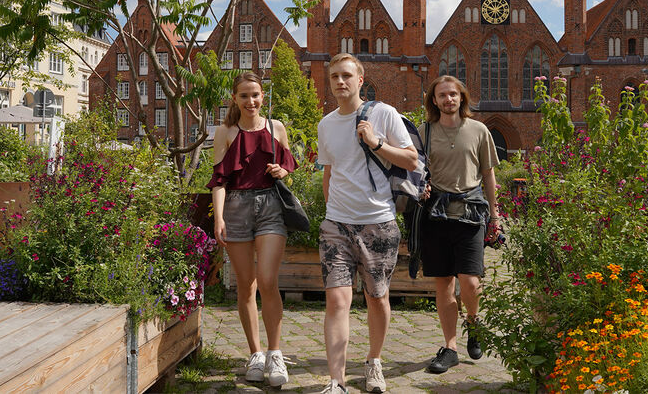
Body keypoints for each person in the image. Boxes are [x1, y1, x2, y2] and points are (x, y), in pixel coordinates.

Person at [316, 53, 419, 394]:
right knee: (337, 302)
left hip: (378, 223)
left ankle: (374, 362)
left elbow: (411, 159)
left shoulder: (383, 113)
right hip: (337, 226)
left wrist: (376, 142)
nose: (340, 82)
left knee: (377, 298)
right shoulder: (326, 124)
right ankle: (337, 381)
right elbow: (328, 172)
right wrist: (332, 209)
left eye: (347, 75)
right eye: (335, 77)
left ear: (360, 80)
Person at [208, 71, 298, 387]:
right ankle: (256, 354)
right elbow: (219, 181)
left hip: (270, 207)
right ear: (235, 98)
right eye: (244, 95)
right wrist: (218, 218)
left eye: (256, 95)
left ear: (263, 97)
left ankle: (275, 353)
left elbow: (288, 166)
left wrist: (281, 171)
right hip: (235, 208)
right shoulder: (225, 132)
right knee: (246, 284)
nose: (251, 101)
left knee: (269, 280)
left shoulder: (276, 128)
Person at [418, 75, 501, 374]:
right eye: (442, 95)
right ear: (435, 100)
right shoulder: (424, 132)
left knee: (470, 281)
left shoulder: (478, 130)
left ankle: (474, 322)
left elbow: (489, 175)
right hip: (436, 215)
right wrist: (420, 187)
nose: (448, 99)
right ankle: (450, 346)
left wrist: (496, 215)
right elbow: (416, 170)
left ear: (462, 98)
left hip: (471, 213)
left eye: (453, 94)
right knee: (444, 283)